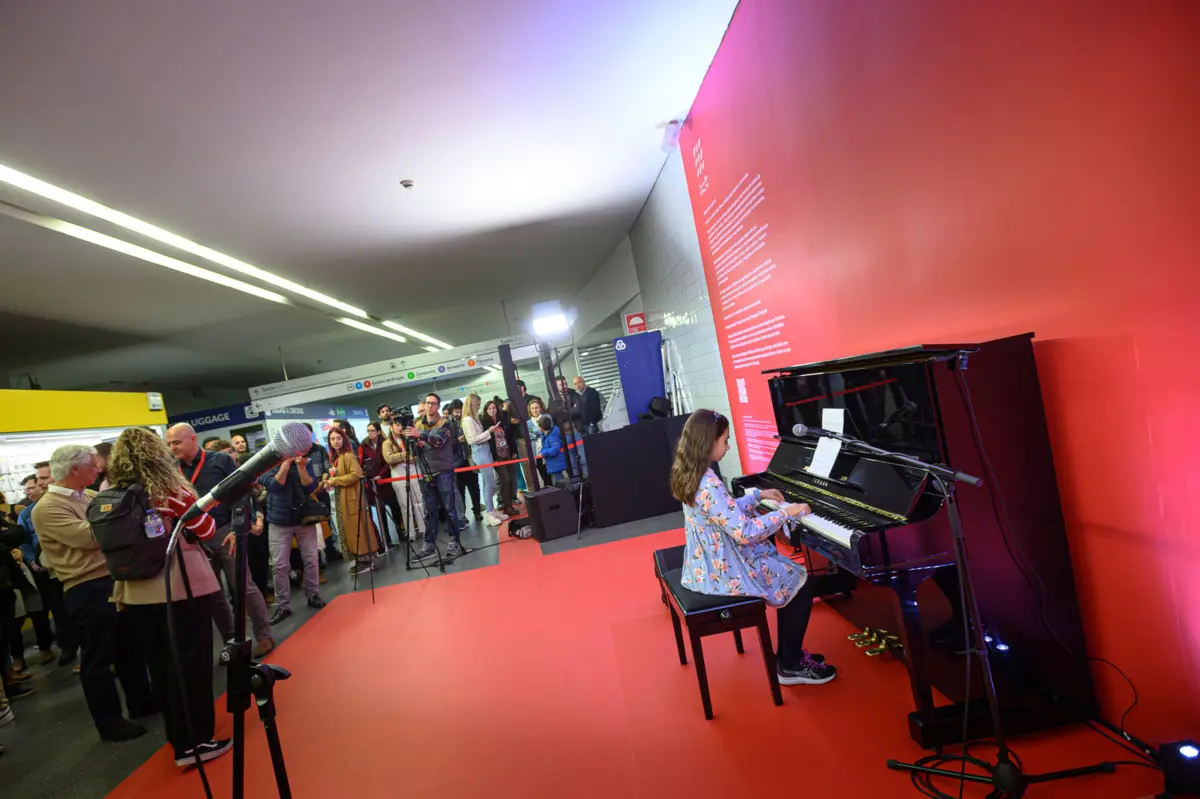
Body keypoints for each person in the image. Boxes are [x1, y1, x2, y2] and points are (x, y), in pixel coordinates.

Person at [671, 410, 837, 686]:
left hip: (706, 564)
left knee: (791, 576)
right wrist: (787, 513)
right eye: (725, 440)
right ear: (708, 442)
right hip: (723, 573)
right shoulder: (708, 482)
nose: (728, 446)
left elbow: (724, 513)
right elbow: (744, 532)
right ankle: (790, 665)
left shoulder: (693, 473)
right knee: (800, 580)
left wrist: (758, 495)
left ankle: (787, 655)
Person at [106, 428, 233, 767]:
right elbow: (205, 530)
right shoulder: (169, 490)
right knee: (191, 666)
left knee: (160, 669)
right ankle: (198, 742)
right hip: (179, 586)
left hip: (134, 592)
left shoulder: (111, 493)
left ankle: (179, 740)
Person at [33, 444, 155, 742]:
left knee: (129, 647)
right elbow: (92, 536)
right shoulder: (46, 508)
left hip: (111, 580)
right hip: (85, 587)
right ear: (74, 470)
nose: (98, 469)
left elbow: (105, 527)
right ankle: (109, 722)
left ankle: (141, 702)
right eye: (92, 464)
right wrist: (123, 522)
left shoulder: (86, 496)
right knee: (98, 659)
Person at [166, 423, 275, 658]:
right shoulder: (173, 470)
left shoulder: (219, 461)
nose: (172, 447)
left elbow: (242, 492)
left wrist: (238, 529)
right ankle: (231, 642)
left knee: (243, 586)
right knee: (213, 595)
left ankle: (264, 635)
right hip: (196, 539)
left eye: (176, 442)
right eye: (169, 444)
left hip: (225, 532)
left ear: (192, 439)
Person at [16, 472, 77, 668]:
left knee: (77, 606)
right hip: (46, 568)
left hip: (71, 565)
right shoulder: (27, 514)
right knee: (58, 608)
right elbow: (23, 541)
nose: (31, 491)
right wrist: (32, 560)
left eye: (35, 485)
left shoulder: (65, 503)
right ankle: (67, 645)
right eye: (27, 489)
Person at [259, 453, 326, 625]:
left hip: (304, 517)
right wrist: (286, 464)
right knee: (279, 565)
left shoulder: (305, 461)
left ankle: (313, 595)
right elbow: (275, 485)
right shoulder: (267, 464)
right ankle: (283, 606)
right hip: (278, 521)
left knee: (311, 559)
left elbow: (311, 486)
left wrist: (301, 466)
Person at [406, 393, 465, 562]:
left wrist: (421, 436)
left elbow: (439, 441)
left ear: (438, 406)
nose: (430, 406)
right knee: (429, 511)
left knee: (450, 509)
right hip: (425, 472)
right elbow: (415, 449)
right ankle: (429, 544)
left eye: (433, 403)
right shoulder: (417, 424)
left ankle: (454, 542)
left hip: (443, 471)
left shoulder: (446, 423)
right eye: (427, 403)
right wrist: (414, 442)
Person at [322, 428, 378, 574]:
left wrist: (335, 480)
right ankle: (361, 559)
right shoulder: (336, 457)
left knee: (357, 528)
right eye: (333, 439)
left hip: (353, 498)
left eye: (338, 438)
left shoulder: (348, 455)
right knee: (351, 530)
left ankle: (366, 560)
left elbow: (356, 474)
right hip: (344, 497)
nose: (336, 441)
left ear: (344, 439)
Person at [461, 394, 506, 527]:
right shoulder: (468, 420)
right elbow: (472, 439)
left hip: (484, 450)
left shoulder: (473, 418)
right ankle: (489, 513)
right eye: (477, 403)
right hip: (480, 451)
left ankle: (492, 510)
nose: (479, 406)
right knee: (488, 484)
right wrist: (489, 431)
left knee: (490, 482)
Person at [382, 420, 427, 542]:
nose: (399, 427)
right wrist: (406, 454)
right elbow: (389, 458)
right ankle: (411, 533)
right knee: (405, 505)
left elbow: (417, 454)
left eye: (400, 424)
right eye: (396, 425)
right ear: (391, 427)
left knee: (418, 501)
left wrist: (410, 456)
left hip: (413, 470)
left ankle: (423, 529)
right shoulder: (387, 443)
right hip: (398, 474)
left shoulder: (408, 439)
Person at [359, 422, 398, 547]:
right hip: (372, 482)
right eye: (368, 430)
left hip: (386, 481)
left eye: (372, 430)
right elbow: (362, 462)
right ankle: (387, 539)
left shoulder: (385, 443)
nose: (370, 433)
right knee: (380, 512)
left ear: (378, 431)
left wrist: (381, 475)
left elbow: (387, 462)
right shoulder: (364, 445)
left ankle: (401, 532)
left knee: (394, 506)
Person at [483, 399, 519, 518]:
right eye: (489, 408)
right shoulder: (485, 424)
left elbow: (509, 436)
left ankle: (509, 506)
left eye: (494, 408)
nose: (492, 410)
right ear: (486, 411)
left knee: (509, 480)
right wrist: (493, 458)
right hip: (496, 456)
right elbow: (488, 442)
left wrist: (513, 450)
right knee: (506, 479)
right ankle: (507, 506)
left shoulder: (501, 420)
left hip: (507, 453)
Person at [449, 400, 483, 522]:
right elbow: (446, 443)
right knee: (460, 490)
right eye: (456, 412)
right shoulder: (448, 424)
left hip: (470, 459)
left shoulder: (467, 420)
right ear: (452, 411)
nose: (458, 413)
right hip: (457, 462)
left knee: (475, 488)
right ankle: (462, 516)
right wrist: (457, 440)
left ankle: (477, 511)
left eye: (460, 411)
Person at [537, 415, 569, 486]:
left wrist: (543, 453)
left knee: (559, 482)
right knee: (557, 481)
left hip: (556, 463)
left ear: (542, 427)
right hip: (553, 463)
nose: (538, 427)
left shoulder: (552, 437)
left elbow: (555, 449)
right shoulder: (546, 435)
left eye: (538, 425)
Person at [526, 398, 551, 487]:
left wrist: (535, 431)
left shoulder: (547, 417)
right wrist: (540, 431)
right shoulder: (528, 422)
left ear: (540, 408)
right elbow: (530, 436)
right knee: (542, 472)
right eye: (532, 408)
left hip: (548, 448)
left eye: (536, 407)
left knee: (551, 473)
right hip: (536, 451)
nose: (534, 410)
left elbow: (548, 431)